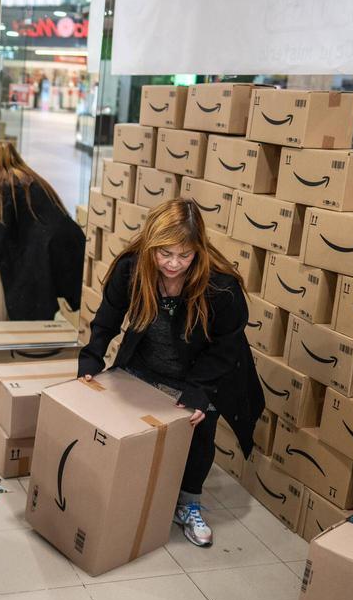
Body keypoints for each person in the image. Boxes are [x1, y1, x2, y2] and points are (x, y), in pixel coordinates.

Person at [78, 198, 264, 548]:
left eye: (185, 255)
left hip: (203, 372)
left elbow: (226, 346)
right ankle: (136, 494)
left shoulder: (220, 285)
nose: (174, 264)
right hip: (146, 363)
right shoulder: (132, 269)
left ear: (198, 249)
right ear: (151, 245)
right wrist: (91, 358)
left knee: (199, 435)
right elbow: (109, 315)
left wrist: (199, 390)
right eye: (165, 254)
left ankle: (189, 503)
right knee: (134, 429)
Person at [0, 142, 84, 321]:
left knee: (30, 312)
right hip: (66, 244)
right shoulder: (29, 177)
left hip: (45, 250)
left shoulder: (5, 183)